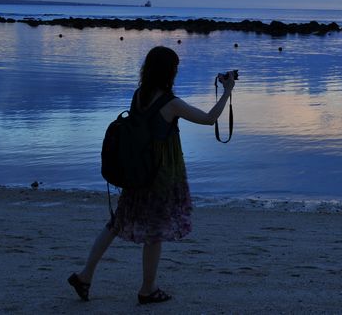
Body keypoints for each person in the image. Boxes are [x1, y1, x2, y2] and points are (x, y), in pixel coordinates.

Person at [68, 45, 235, 304]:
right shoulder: (171, 104)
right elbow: (209, 119)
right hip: (159, 174)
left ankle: (85, 275)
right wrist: (227, 92)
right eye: (175, 69)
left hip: (137, 170)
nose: (177, 73)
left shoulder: (138, 96)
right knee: (154, 232)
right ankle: (148, 289)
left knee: (116, 223)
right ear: (169, 72)